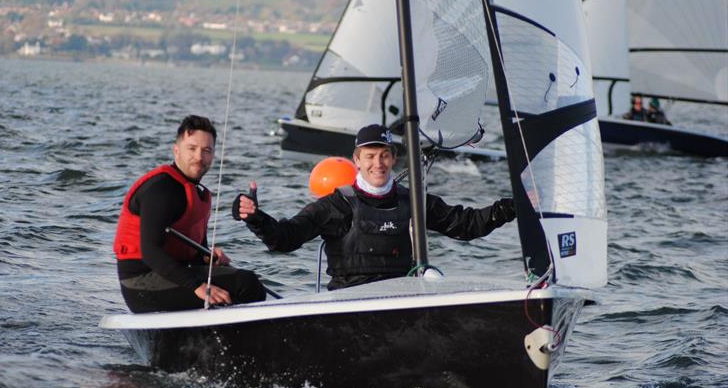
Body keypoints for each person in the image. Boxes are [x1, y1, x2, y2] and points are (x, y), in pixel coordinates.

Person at [233, 124, 517, 291]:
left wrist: (512, 207)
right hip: (349, 304)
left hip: (400, 301)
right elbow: (286, 238)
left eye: (384, 156)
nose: (377, 164)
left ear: (394, 158)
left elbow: (467, 226)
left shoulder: (414, 203)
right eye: (370, 156)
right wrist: (255, 218)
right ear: (356, 160)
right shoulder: (337, 205)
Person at [114, 115, 266, 313]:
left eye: (206, 151)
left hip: (169, 277)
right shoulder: (162, 189)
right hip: (140, 283)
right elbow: (151, 251)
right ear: (176, 150)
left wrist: (205, 258)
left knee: (244, 280)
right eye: (192, 148)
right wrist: (198, 287)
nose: (199, 157)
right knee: (246, 284)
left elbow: (189, 251)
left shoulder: (197, 193)